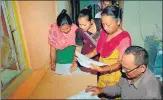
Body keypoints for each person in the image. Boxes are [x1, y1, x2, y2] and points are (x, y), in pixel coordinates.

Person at [85, 46, 162, 99]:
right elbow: (119, 88)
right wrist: (101, 90)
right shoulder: (129, 73)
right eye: (122, 67)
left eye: (127, 69)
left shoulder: (151, 93)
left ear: (142, 68)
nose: (123, 71)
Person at [70, 5, 102, 72]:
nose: (82, 27)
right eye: (80, 24)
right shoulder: (79, 31)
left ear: (91, 21)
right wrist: (75, 63)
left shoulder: (101, 24)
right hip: (90, 56)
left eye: (84, 25)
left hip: (103, 55)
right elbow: (78, 48)